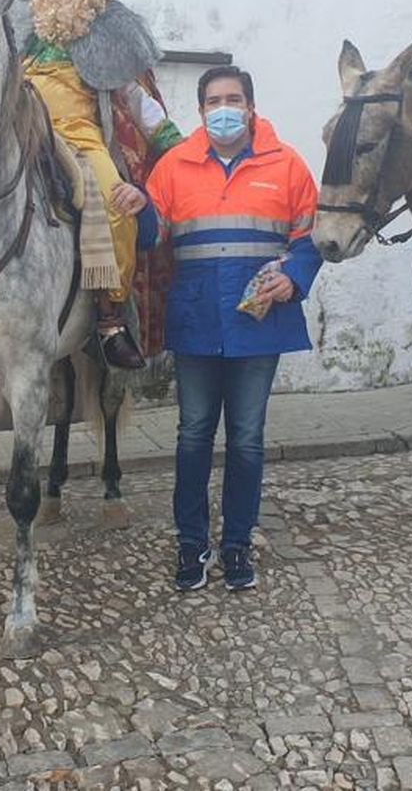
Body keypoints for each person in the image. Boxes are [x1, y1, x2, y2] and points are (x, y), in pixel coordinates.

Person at [127, 66, 320, 592]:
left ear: (252, 106)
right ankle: (191, 543)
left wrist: (296, 278)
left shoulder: (288, 165)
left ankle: (236, 544)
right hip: (195, 321)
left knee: (247, 439)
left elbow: (309, 238)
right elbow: (151, 237)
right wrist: (138, 207)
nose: (224, 108)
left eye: (233, 98)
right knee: (191, 437)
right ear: (202, 109)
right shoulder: (173, 166)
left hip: (259, 325)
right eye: (214, 100)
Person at [14, 0, 184, 368]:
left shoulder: (111, 25)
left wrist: (173, 143)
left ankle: (110, 319)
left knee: (116, 204)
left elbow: (134, 95)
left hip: (79, 138)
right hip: (16, 135)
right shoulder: (15, 15)